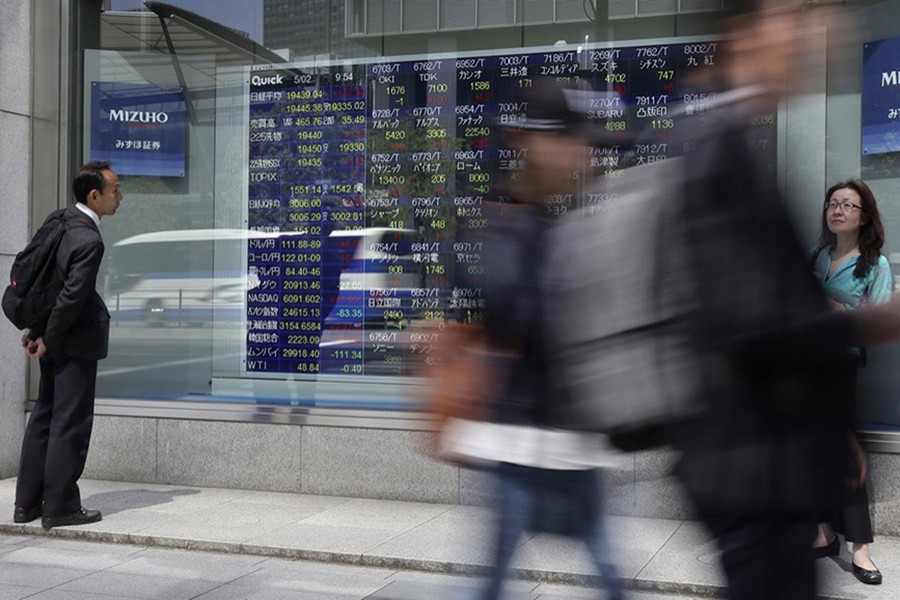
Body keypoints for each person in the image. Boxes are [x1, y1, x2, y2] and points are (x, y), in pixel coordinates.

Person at [461, 78, 624, 600]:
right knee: (496, 578)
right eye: (573, 143)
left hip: (567, 439)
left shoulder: (557, 219)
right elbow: (513, 313)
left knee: (605, 570)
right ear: (536, 143)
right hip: (521, 440)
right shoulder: (504, 221)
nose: (584, 156)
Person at [13, 161, 122, 529]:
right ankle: (60, 506)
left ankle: (26, 504)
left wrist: (37, 331)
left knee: (44, 416)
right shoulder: (89, 240)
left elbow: (45, 283)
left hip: (51, 335)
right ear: (94, 195)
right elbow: (71, 297)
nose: (119, 197)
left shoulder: (58, 221)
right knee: (69, 422)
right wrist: (49, 340)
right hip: (72, 342)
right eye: (114, 190)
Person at [810, 179, 891, 585]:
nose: (838, 209)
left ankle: (860, 548)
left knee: (843, 452)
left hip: (839, 367)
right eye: (833, 203)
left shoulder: (876, 264)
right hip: (803, 365)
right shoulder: (816, 256)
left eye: (848, 204)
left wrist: (834, 308)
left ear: (864, 217)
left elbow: (876, 322)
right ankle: (824, 532)